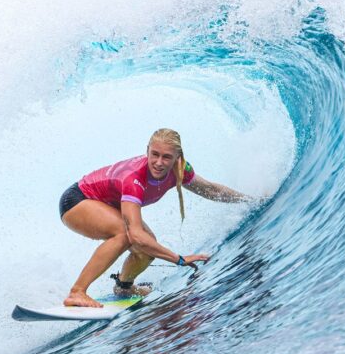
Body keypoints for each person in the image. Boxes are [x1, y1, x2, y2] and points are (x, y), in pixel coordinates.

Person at [58, 128, 251, 308]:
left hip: (108, 204)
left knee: (148, 246)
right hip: (78, 200)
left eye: (166, 157)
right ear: (147, 151)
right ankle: (77, 292)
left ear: (178, 157)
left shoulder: (181, 169)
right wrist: (180, 259)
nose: (159, 162)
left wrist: (249, 200)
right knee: (128, 235)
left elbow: (210, 189)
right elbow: (135, 235)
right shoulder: (134, 178)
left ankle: (124, 287)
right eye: (154, 154)